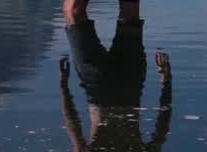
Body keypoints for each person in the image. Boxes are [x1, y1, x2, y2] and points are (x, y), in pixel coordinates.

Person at [60, 20, 172, 151]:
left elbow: (162, 127)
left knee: (129, 14)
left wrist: (166, 79)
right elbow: (161, 128)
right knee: (74, 14)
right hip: (107, 85)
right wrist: (64, 86)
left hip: (120, 84)